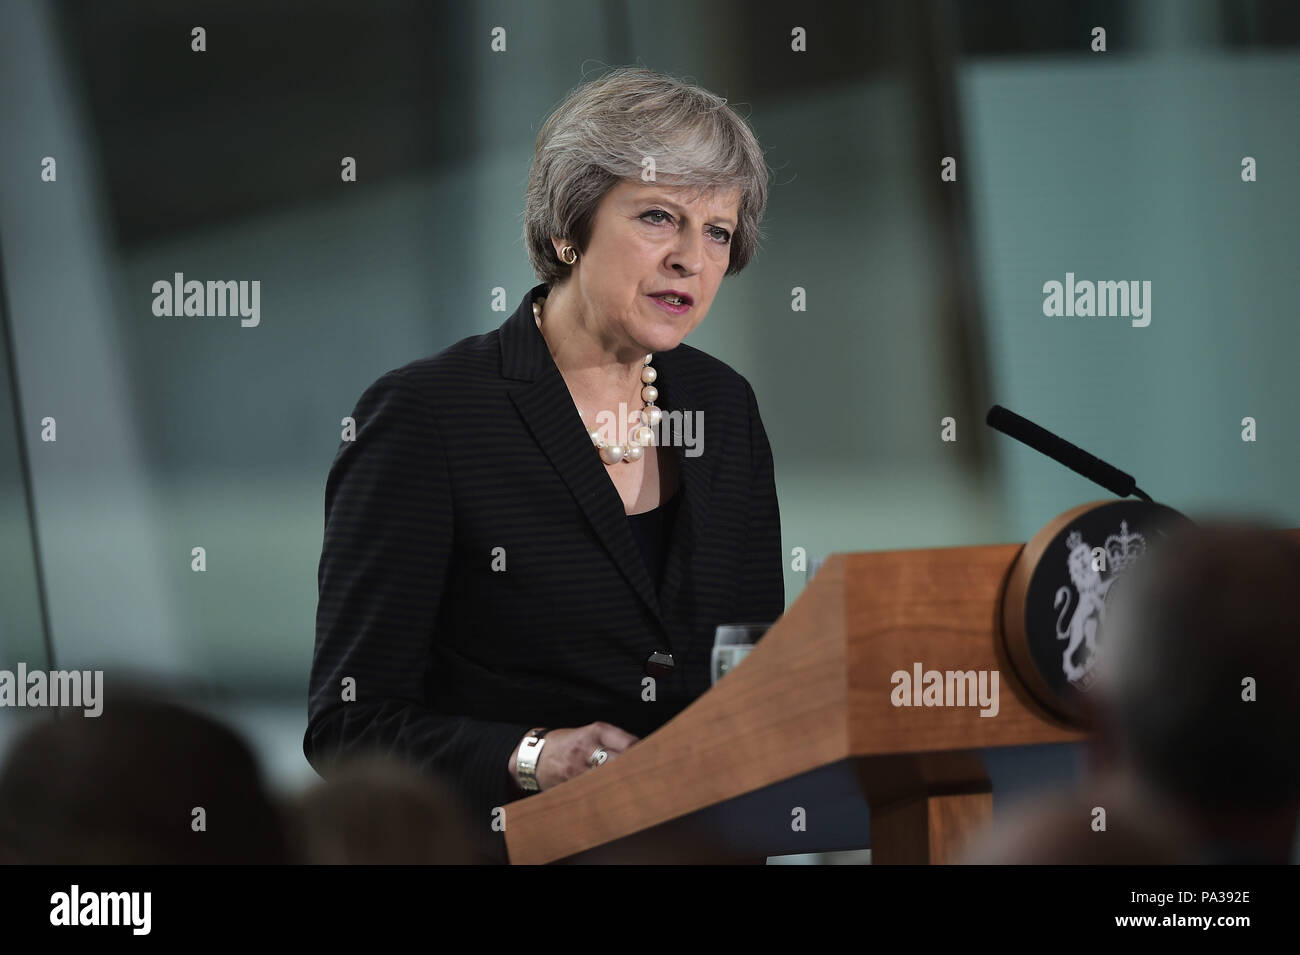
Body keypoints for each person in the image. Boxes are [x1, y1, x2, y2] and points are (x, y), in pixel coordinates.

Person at [304, 66, 784, 863]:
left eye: (718, 231)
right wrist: (533, 755)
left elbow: (754, 668)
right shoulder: (428, 416)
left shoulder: (723, 407)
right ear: (569, 227)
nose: (690, 259)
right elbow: (350, 726)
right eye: (660, 217)